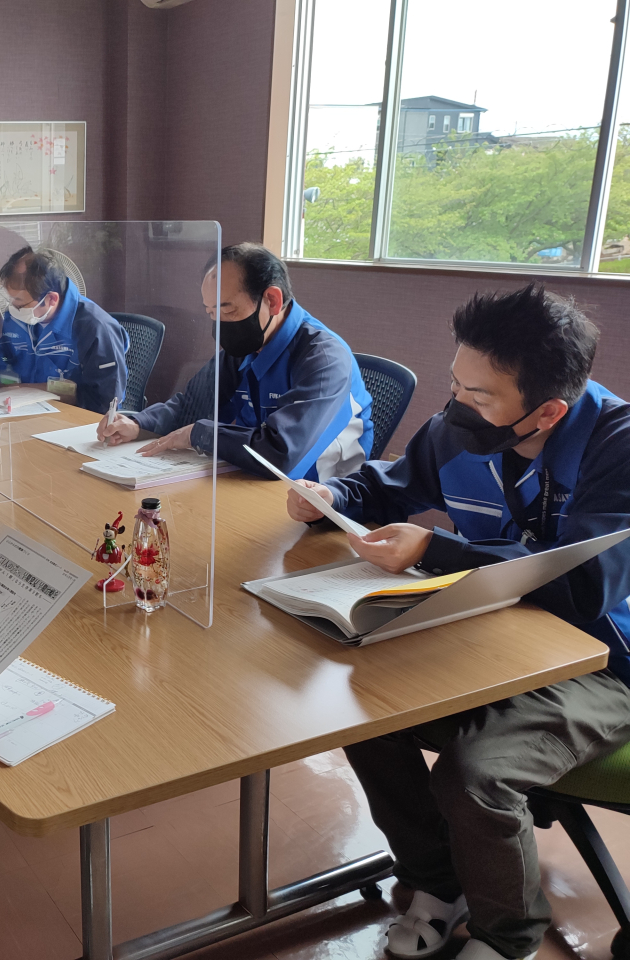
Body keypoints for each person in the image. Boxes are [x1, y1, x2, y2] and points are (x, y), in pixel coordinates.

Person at [286, 284, 630, 960]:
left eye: (479, 396)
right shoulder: (460, 426)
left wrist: (437, 548)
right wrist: (332, 495)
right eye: (454, 384)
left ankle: (507, 937)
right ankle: (438, 881)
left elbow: (587, 584)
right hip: (493, 634)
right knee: (359, 711)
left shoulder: (616, 447)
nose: (456, 405)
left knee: (476, 775)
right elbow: (391, 485)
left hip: (601, 662)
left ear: (548, 411)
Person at [96, 242, 374, 481]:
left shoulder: (324, 359)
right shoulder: (247, 345)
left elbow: (280, 454)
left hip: (320, 501)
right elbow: (192, 404)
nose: (219, 325)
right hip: (252, 481)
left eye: (227, 311)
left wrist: (199, 434)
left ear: (272, 300)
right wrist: (138, 423)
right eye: (210, 313)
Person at [0, 246, 129, 414]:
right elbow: (4, 360)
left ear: (51, 299)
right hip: (24, 412)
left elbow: (104, 402)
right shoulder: (18, 318)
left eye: (20, 303)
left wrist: (39, 390)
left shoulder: (96, 329)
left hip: (73, 420)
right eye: (11, 300)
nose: (13, 308)